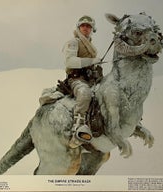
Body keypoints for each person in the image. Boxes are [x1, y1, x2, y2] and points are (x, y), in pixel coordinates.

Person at [62, 15, 102, 148]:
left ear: (92, 29)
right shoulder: (73, 42)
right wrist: (91, 61)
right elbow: (70, 61)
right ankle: (77, 129)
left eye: (88, 26)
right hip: (76, 79)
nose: (85, 28)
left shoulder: (91, 46)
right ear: (79, 27)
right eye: (83, 25)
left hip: (91, 80)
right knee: (85, 94)